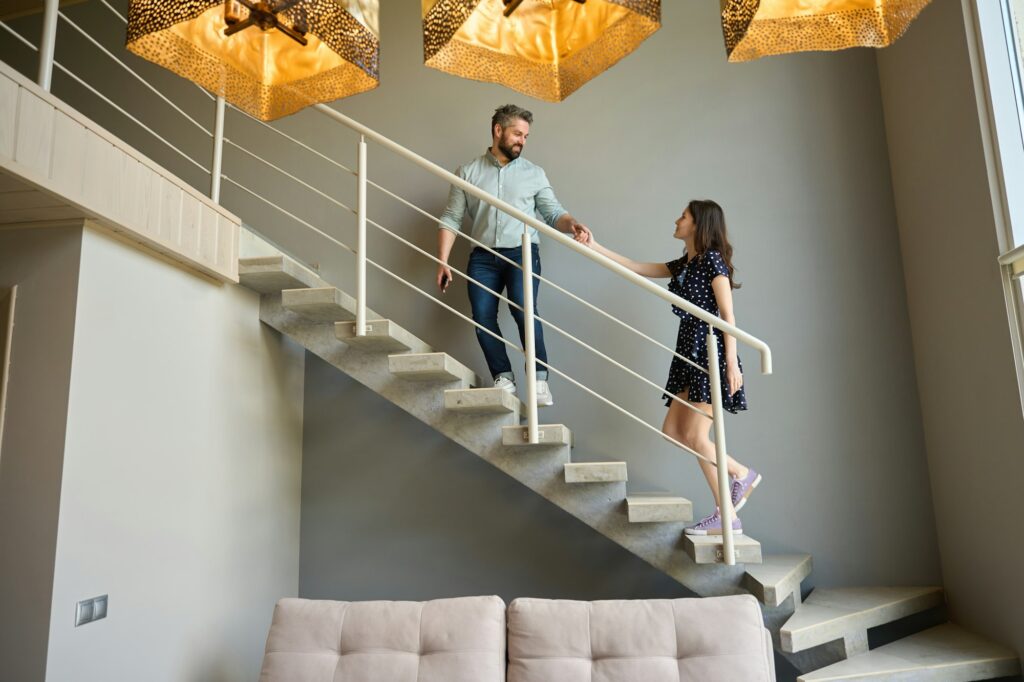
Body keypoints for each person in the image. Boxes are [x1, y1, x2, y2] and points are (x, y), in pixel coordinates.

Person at [583, 200, 760, 536]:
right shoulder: (686, 262)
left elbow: (727, 315)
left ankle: (733, 495)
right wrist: (594, 245)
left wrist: (731, 364)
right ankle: (734, 493)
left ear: (698, 224)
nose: (677, 220)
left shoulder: (712, 260)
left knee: (696, 435)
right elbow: (636, 266)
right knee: (675, 432)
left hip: (712, 351)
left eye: (684, 216)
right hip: (688, 351)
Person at [436, 104, 591, 406]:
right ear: (498, 131)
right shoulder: (467, 172)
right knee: (482, 317)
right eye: (518, 133)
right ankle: (503, 378)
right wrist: (442, 260)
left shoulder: (534, 173)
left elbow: (553, 212)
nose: (523, 140)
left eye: (526, 136)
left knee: (524, 310)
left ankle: (539, 381)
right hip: (482, 258)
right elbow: (451, 218)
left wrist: (572, 224)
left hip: (522, 253)